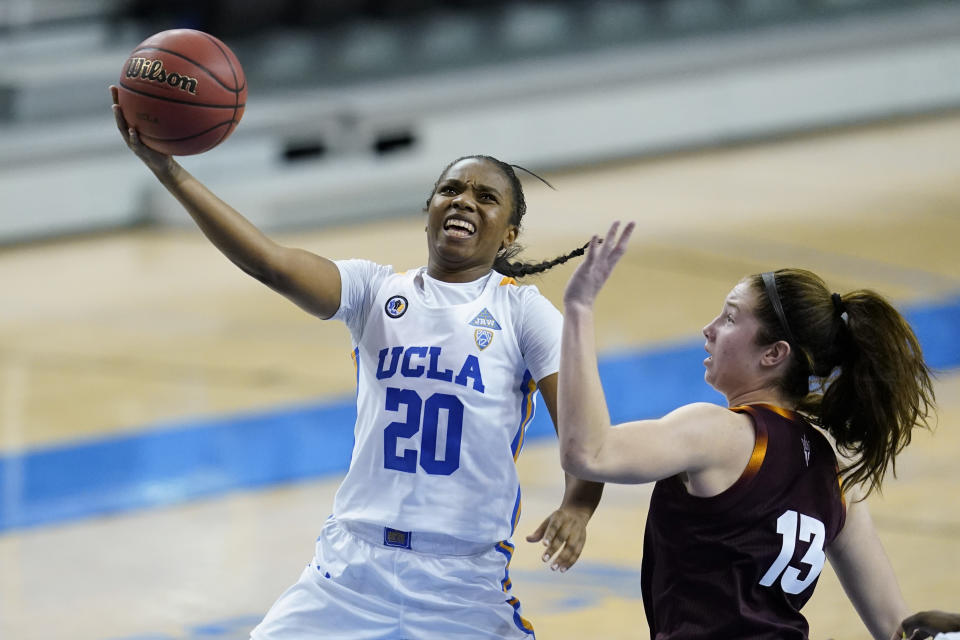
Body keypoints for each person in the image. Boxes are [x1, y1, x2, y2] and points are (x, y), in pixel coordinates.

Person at [110, 86, 604, 639]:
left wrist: (578, 506)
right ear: (429, 212)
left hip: (460, 583)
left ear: (508, 233)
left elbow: (584, 435)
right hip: (348, 571)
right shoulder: (374, 291)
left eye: (485, 197)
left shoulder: (523, 313)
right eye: (450, 189)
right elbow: (271, 264)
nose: (464, 200)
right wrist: (169, 172)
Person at [556, 221, 936, 640]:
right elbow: (895, 628)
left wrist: (579, 309)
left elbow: (588, 453)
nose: (710, 328)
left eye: (730, 317)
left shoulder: (719, 433)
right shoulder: (839, 474)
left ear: (774, 354)